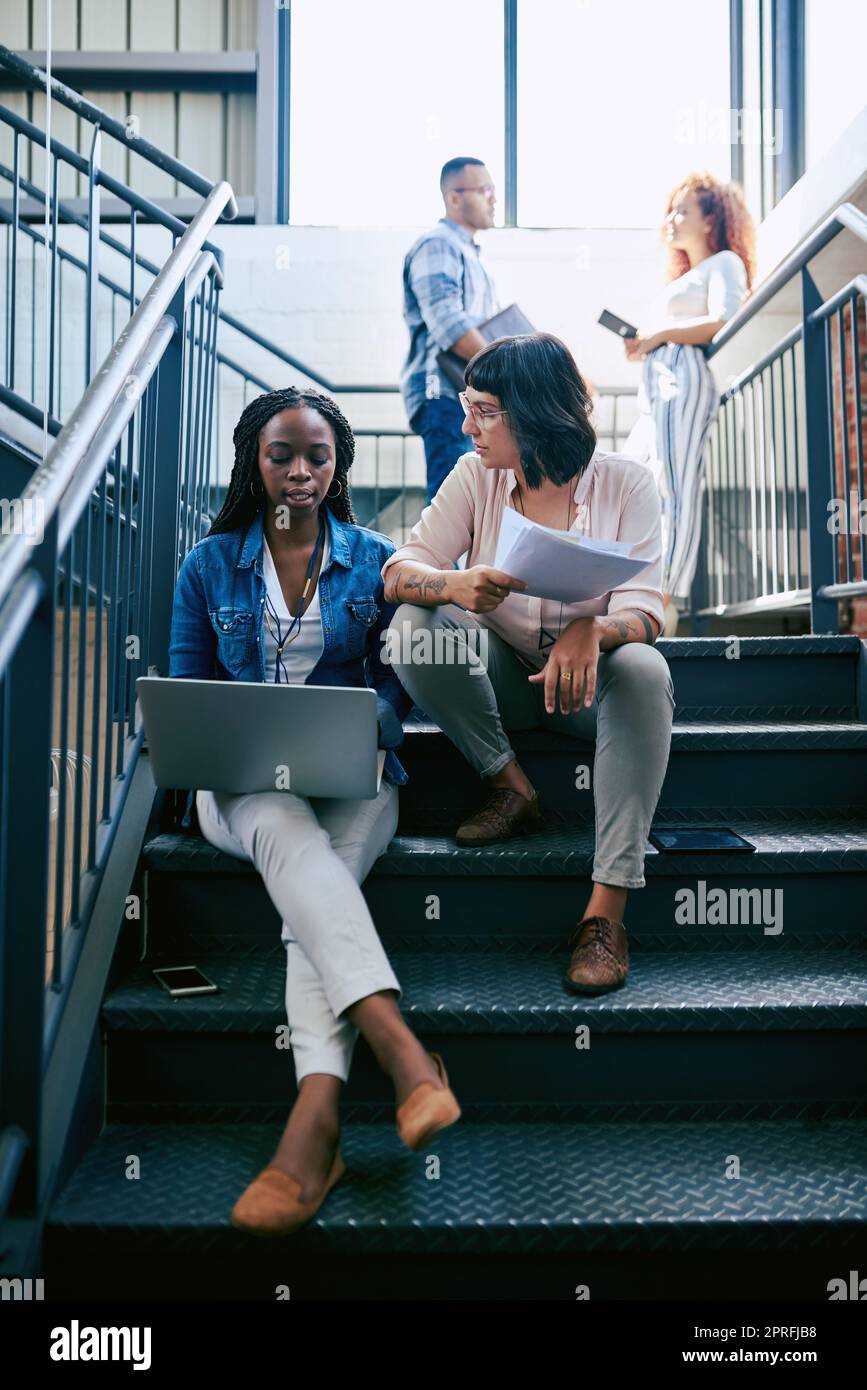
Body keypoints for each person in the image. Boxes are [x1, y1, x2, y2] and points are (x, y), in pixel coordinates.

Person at [168, 387, 460, 1237]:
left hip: (354, 781)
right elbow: (190, 696)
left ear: (339, 467)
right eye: (281, 455)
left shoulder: (375, 561)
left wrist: (380, 709)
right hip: (244, 794)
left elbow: (402, 678)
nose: (300, 471)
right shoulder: (208, 565)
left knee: (311, 890)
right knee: (288, 835)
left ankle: (317, 1120)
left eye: (318, 456)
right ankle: (398, 1051)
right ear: (252, 464)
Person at [382, 335, 674, 996]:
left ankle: (606, 915)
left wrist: (592, 629)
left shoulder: (626, 482)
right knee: (412, 626)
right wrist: (450, 586)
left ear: (535, 410)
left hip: (584, 697)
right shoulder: (473, 475)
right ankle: (509, 784)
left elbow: (647, 613)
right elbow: (399, 570)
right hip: (503, 687)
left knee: (645, 670)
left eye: (483, 410)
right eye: (466, 407)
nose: (466, 426)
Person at [623, 172, 755, 633]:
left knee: (675, 487)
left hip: (685, 376)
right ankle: (630, 585)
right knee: (631, 476)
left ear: (711, 218)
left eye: (684, 210)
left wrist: (660, 335)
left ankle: (664, 594)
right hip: (655, 385)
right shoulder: (683, 278)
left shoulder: (724, 263)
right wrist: (644, 344)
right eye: (671, 210)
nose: (672, 219)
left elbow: (724, 318)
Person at [401, 156, 499, 502]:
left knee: (470, 506)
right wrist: (509, 371)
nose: (494, 199)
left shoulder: (470, 254)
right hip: (443, 393)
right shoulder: (439, 245)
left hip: (465, 396)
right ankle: (436, 561)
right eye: (485, 189)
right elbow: (449, 324)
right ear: (454, 197)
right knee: (451, 509)